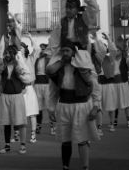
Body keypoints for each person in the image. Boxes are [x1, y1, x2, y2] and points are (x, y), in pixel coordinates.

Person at [46, 41, 100, 170]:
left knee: (82, 139)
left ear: (73, 52)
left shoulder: (84, 67)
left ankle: (85, 167)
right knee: (65, 141)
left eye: (67, 51)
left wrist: (96, 106)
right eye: (63, 51)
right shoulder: (58, 69)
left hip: (82, 106)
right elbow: (53, 90)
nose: (64, 53)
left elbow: (95, 87)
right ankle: (65, 167)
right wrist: (51, 108)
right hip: (64, 106)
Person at [0, 45, 31, 155]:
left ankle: (23, 145)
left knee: (20, 122)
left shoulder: (20, 64)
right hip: (5, 95)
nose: (6, 55)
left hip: (17, 96)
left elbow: (28, 78)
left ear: (13, 54)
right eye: (5, 53)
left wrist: (19, 73)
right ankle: (7, 146)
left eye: (8, 53)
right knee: (6, 122)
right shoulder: (2, 65)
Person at [102, 33, 129, 131]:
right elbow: (111, 48)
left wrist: (127, 49)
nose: (116, 51)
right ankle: (112, 123)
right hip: (112, 84)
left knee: (126, 103)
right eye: (115, 50)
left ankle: (128, 121)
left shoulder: (125, 59)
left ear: (121, 51)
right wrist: (108, 39)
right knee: (112, 104)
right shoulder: (109, 59)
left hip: (123, 83)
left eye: (118, 50)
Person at [34, 44, 54, 135]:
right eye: (41, 49)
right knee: (38, 107)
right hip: (38, 84)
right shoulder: (37, 60)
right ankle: (38, 126)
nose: (42, 51)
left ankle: (53, 126)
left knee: (50, 107)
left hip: (47, 84)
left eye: (43, 49)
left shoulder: (49, 60)